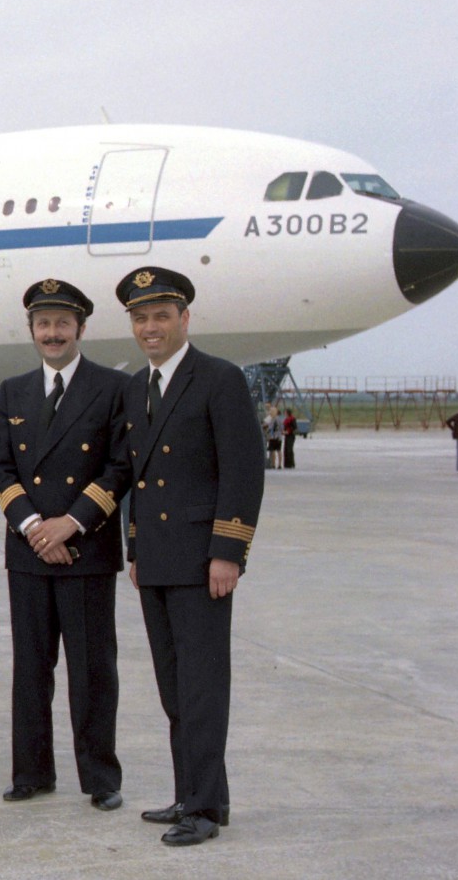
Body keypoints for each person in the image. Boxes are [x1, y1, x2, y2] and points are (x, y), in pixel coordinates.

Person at [117, 268, 264, 846]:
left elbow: (243, 471)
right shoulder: (136, 388)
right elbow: (137, 479)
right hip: (154, 560)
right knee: (175, 688)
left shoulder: (219, 379)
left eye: (160, 316)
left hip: (204, 559)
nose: (150, 327)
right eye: (140, 318)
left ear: (184, 318)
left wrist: (229, 552)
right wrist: (133, 547)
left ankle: (202, 809)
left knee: (202, 688)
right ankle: (196, 794)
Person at [0, 279, 131, 812]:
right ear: (31, 330)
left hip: (86, 550)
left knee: (93, 670)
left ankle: (100, 777)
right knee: (30, 667)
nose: (52, 334)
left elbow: (119, 468)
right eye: (43, 324)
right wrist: (33, 528)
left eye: (62, 324)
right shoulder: (13, 390)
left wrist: (71, 524)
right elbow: (2, 468)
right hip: (28, 553)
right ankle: (31, 772)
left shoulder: (111, 389)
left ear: (81, 329)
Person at [262, 405, 282, 469]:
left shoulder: (270, 418)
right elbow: (281, 427)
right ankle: (279, 464)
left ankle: (273, 464)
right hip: (279, 437)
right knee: (278, 450)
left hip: (273, 437)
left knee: (272, 450)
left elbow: (267, 426)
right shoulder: (279, 419)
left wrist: (265, 427)